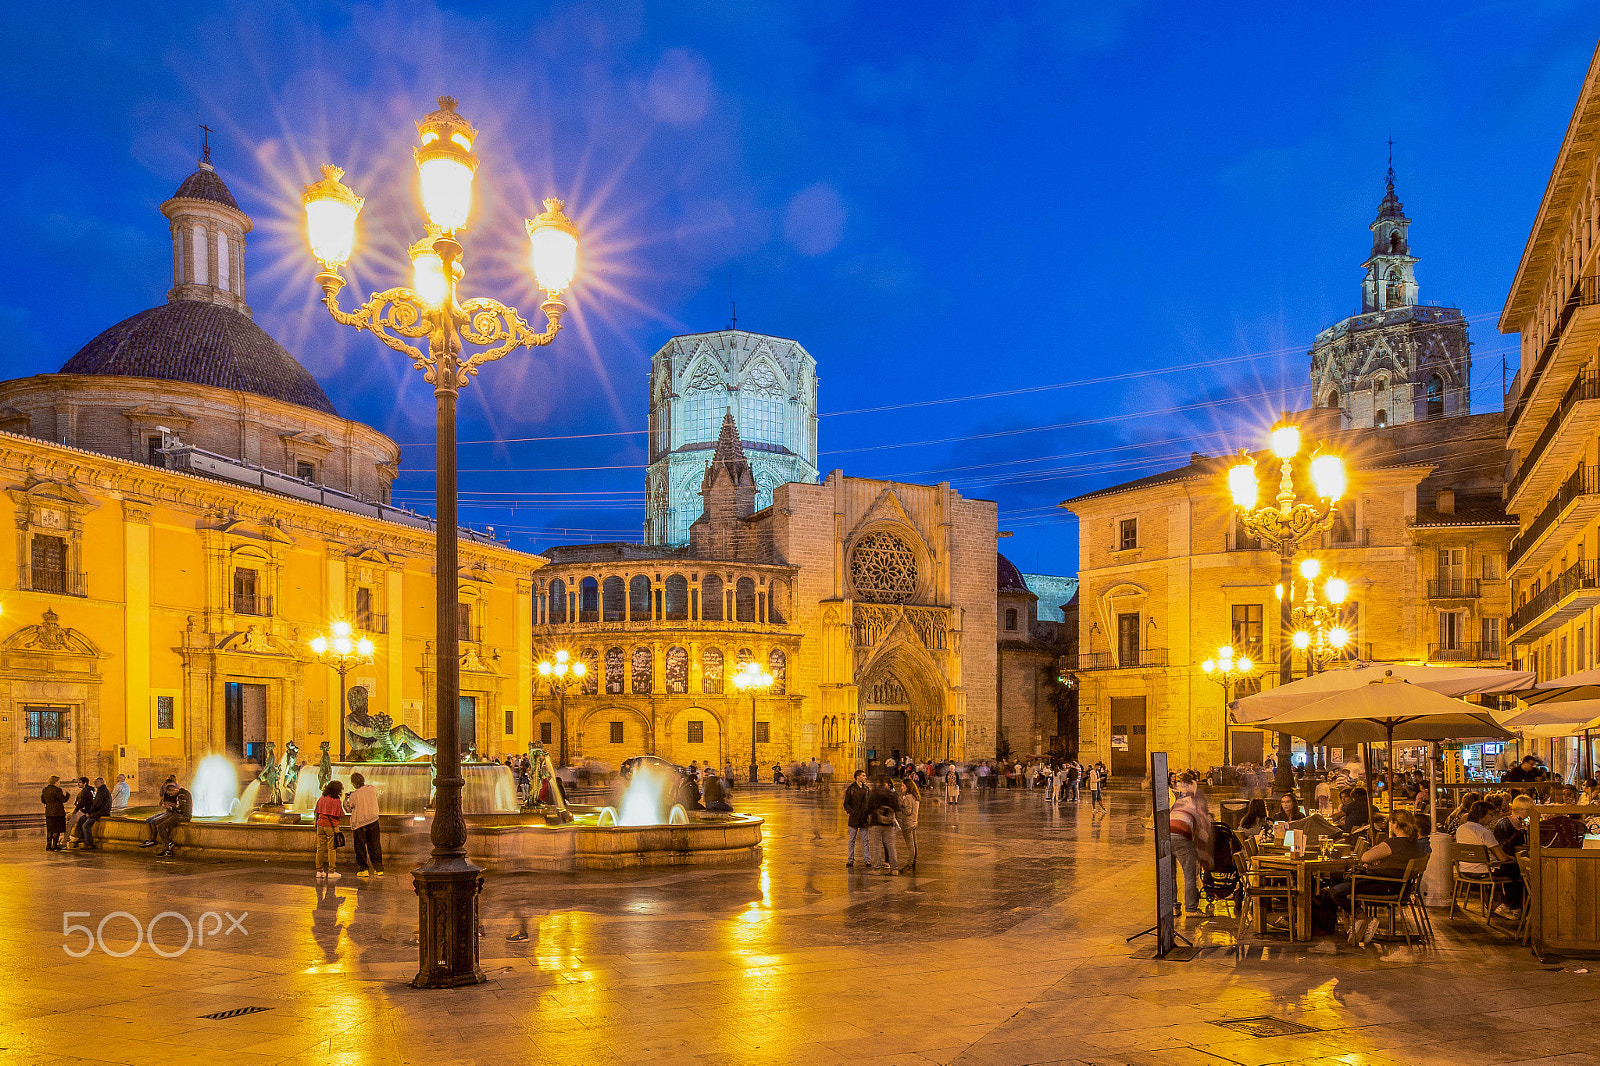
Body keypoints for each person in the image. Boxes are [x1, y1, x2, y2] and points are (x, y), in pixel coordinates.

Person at [1331, 808, 1426, 945]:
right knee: (1337, 876)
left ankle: (1362, 918)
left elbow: (1365, 857)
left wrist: (1376, 857)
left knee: (1335, 892)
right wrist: (1381, 861)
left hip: (1385, 886)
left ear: (1395, 824)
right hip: (1400, 886)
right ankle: (1352, 922)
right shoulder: (1414, 844)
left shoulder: (1394, 843)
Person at [1456, 799, 1521, 919]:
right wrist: (1513, 858)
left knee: (1509, 869)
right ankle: (1508, 906)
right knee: (1517, 870)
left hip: (1464, 870)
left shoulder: (1461, 829)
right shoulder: (1484, 832)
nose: (1491, 818)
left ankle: (1507, 905)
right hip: (1484, 871)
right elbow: (1501, 857)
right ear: (1482, 816)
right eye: (1490, 815)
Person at [1167, 773, 1212, 916]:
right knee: (1189, 875)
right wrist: (1205, 856)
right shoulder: (1197, 806)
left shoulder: (1178, 803)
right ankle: (1191, 908)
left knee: (1171, 875)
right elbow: (1203, 833)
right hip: (1181, 838)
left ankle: (1174, 907)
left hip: (1166, 836)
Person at [342, 771, 383, 876]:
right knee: (375, 845)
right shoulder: (372, 789)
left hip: (359, 823)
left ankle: (363, 869)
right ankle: (378, 869)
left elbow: (348, 809)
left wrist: (346, 799)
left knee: (360, 846)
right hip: (373, 820)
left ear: (354, 784)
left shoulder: (354, 795)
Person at [140, 780, 192, 857]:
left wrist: (170, 807)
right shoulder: (180, 793)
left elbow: (181, 810)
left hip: (184, 816)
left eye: (171, 793)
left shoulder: (182, 795)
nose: (170, 795)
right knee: (157, 821)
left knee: (161, 826)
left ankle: (167, 849)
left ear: (174, 790)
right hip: (177, 814)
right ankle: (168, 842)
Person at [866, 776, 903, 874]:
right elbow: (898, 808)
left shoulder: (873, 793)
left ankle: (877, 868)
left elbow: (868, 808)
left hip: (876, 822)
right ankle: (894, 868)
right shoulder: (891, 794)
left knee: (877, 846)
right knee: (891, 846)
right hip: (889, 823)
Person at [314, 780, 346, 881]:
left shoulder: (321, 798)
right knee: (332, 849)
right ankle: (331, 871)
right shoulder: (336, 801)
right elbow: (341, 814)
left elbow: (316, 812)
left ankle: (319, 871)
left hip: (320, 825)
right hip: (331, 826)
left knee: (320, 848)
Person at [843, 770, 872, 867]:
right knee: (852, 839)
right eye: (863, 776)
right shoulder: (851, 789)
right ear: (858, 777)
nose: (865, 777)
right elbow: (846, 804)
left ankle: (867, 860)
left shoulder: (867, 789)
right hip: (854, 818)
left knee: (865, 840)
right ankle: (850, 859)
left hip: (864, 818)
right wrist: (853, 812)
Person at [74, 777, 112, 850]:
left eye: (96, 782)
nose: (95, 784)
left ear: (101, 782)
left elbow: (97, 804)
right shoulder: (102, 790)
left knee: (86, 825)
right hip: (101, 811)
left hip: (100, 812)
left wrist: (89, 812)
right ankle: (82, 838)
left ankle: (89, 843)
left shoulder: (102, 791)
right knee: (82, 819)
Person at [896, 776, 920, 871]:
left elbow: (907, 811)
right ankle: (914, 862)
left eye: (903, 786)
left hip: (907, 823)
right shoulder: (915, 795)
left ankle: (910, 863)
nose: (901, 787)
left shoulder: (908, 796)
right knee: (914, 843)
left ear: (908, 787)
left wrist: (901, 804)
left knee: (910, 845)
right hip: (914, 822)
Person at [40, 775, 68, 851]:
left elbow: (43, 800)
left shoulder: (45, 789)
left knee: (50, 829)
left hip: (49, 812)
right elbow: (63, 799)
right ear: (55, 782)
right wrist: (66, 794)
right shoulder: (57, 790)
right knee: (56, 829)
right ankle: (54, 845)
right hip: (58, 812)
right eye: (58, 781)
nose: (59, 783)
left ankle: (48, 845)